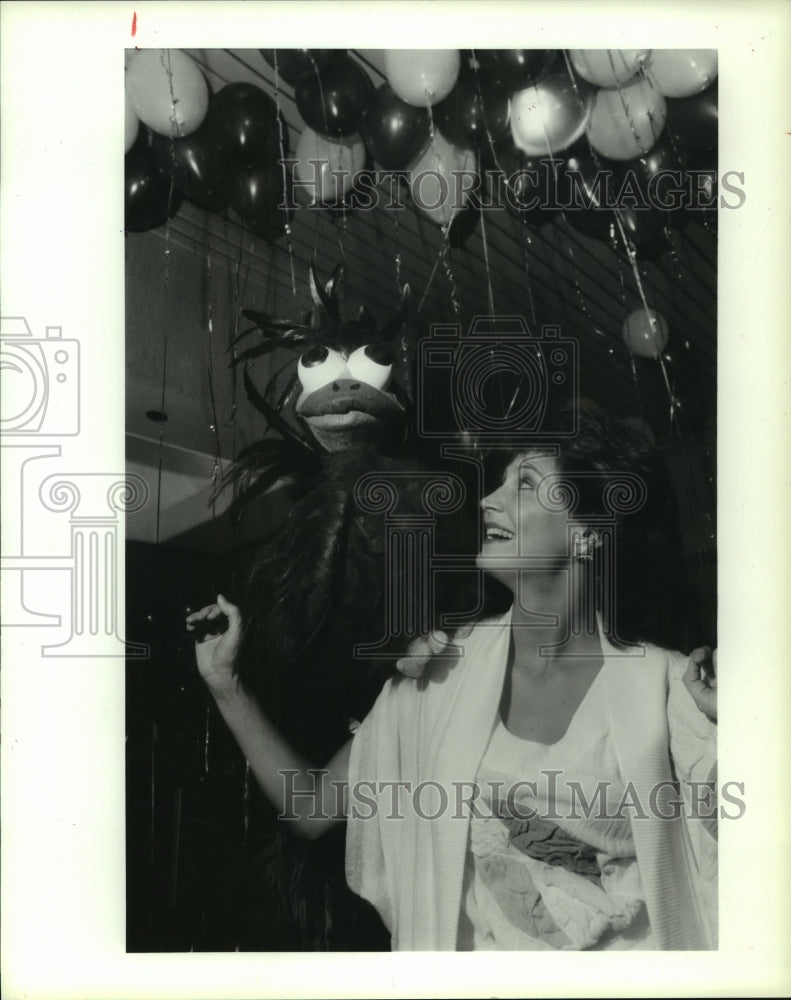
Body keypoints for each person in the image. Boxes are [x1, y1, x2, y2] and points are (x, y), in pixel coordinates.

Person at [188, 409, 717, 951]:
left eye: (526, 484)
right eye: (500, 480)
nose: (489, 499)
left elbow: (739, 863)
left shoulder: (673, 685)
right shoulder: (439, 673)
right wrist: (226, 682)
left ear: (587, 533)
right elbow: (311, 809)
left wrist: (740, 732)